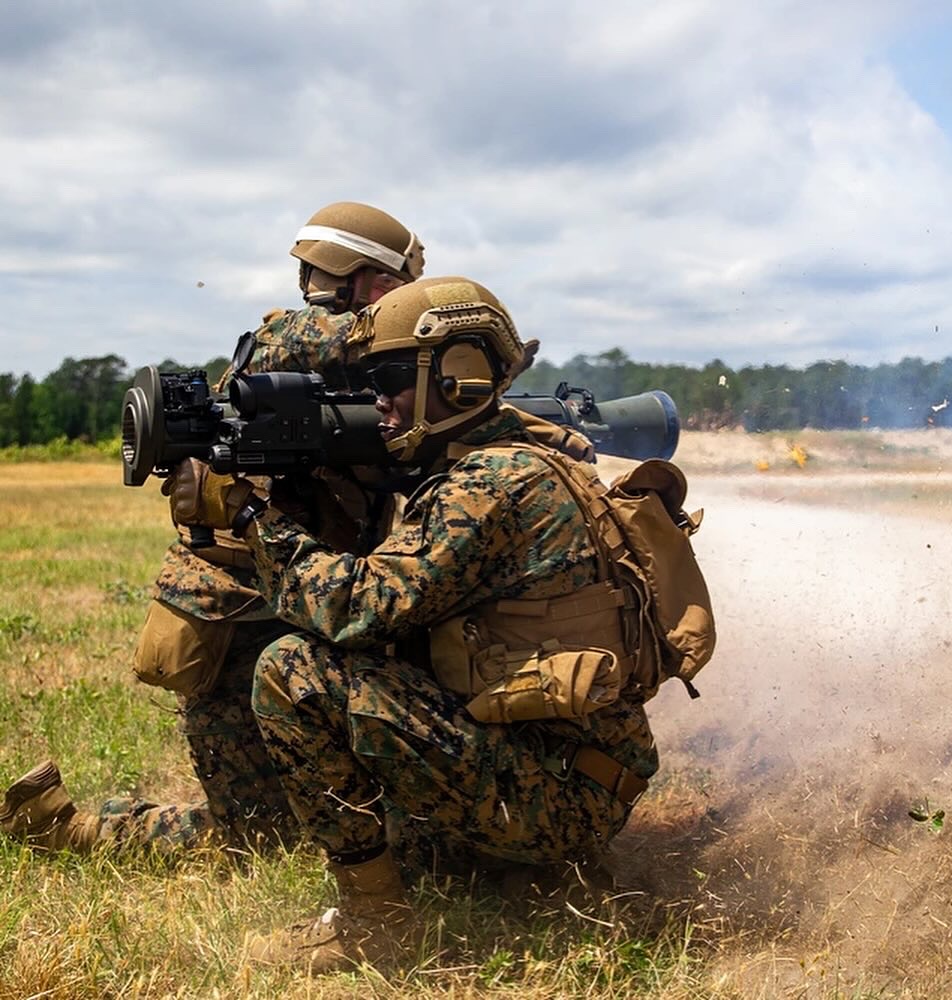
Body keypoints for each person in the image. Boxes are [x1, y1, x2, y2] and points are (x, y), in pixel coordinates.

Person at [165, 275, 661, 972]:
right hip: (575, 770)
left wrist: (249, 517)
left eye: (393, 378)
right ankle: (510, 865)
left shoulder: (487, 487)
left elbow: (355, 607)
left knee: (294, 671)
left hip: (560, 792)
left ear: (458, 379)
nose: (377, 400)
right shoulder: (512, 456)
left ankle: (377, 925)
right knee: (380, 809)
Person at [0, 202, 426, 854]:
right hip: (244, 625)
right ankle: (70, 828)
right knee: (260, 840)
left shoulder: (328, 357)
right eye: (401, 289)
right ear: (361, 278)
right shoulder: (304, 335)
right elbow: (397, 341)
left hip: (277, 606)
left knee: (316, 813)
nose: (409, 306)